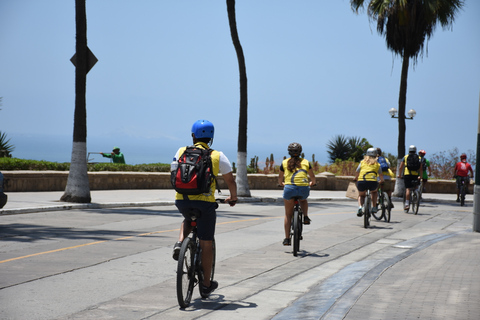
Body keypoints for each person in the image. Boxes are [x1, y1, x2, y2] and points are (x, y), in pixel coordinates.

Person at [171, 119, 238, 297]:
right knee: (206, 241)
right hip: (205, 203)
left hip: (182, 199)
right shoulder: (217, 155)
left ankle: (179, 243)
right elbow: (230, 180)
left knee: (187, 219)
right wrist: (233, 197)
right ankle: (206, 284)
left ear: (192, 135)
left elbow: (173, 172)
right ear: (211, 138)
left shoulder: (181, 151)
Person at [278, 142, 316, 246]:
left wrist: (281, 184)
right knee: (303, 200)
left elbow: (280, 178)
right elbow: (312, 177)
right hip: (303, 188)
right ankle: (306, 216)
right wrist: (313, 182)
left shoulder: (284, 162)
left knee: (288, 214)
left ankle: (287, 238)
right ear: (300, 152)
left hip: (289, 188)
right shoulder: (306, 162)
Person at [354, 147, 384, 217]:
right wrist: (382, 180)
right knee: (374, 192)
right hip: (373, 182)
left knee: (361, 195)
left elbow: (357, 171)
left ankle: (360, 208)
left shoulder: (362, 162)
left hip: (362, 181)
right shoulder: (377, 164)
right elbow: (381, 174)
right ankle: (374, 207)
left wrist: (356, 178)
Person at [398, 145, 423, 211]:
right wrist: (420, 176)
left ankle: (407, 204)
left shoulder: (405, 157)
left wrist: (399, 175)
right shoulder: (418, 158)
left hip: (407, 174)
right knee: (416, 186)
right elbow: (421, 168)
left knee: (408, 189)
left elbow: (400, 167)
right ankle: (416, 195)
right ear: (415, 150)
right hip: (415, 175)